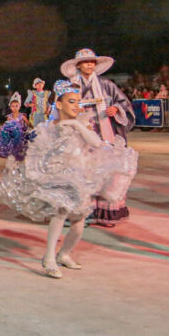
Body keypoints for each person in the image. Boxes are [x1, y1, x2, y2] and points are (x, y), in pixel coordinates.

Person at [0, 81, 138, 278]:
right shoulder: (48, 127)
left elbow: (96, 143)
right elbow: (37, 149)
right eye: (71, 101)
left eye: (78, 102)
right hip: (59, 179)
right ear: (59, 104)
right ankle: (49, 258)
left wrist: (77, 125)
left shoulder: (83, 123)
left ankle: (63, 254)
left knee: (78, 225)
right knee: (60, 213)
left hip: (79, 179)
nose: (76, 106)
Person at [61, 48, 135, 226]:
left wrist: (115, 109)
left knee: (105, 171)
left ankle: (105, 213)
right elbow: (60, 105)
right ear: (78, 65)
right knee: (80, 172)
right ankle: (79, 213)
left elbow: (123, 102)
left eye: (92, 62)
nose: (89, 65)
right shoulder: (70, 86)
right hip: (79, 135)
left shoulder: (106, 85)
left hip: (103, 134)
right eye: (85, 62)